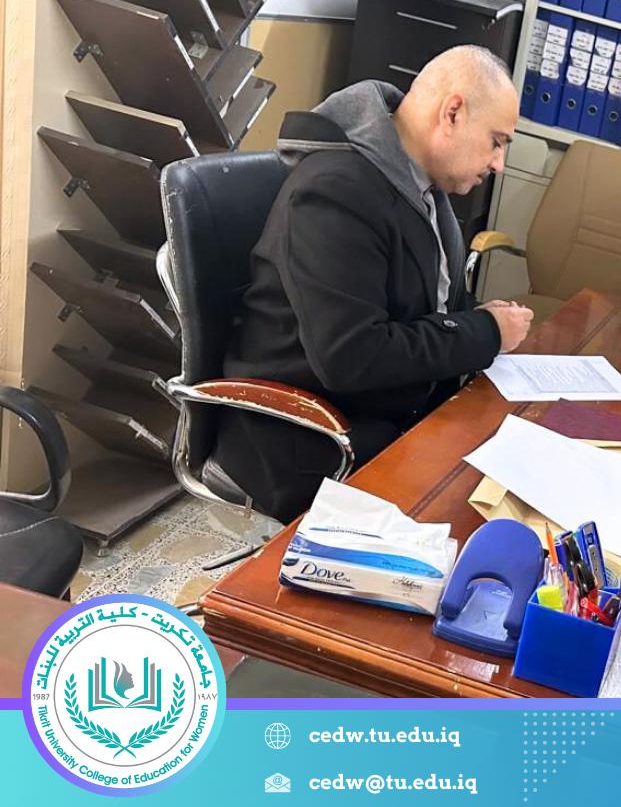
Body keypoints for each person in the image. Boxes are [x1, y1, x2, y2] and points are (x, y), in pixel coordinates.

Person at [213, 46, 534, 522]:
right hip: (310, 438)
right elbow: (353, 356)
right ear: (452, 113)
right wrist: (484, 332)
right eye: (496, 141)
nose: (499, 163)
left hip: (382, 414)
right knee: (475, 518)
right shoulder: (337, 191)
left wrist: (482, 317)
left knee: (508, 476)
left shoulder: (420, 186)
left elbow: (430, 303)